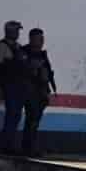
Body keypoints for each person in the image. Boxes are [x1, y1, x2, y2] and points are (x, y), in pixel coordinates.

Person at [0, 20, 28, 155]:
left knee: (16, 115)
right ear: (9, 31)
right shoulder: (1, 47)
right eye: (16, 30)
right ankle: (6, 145)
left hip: (19, 86)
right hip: (8, 86)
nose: (18, 33)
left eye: (18, 30)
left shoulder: (18, 47)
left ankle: (10, 144)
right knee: (11, 114)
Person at [20, 28, 57, 157]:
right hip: (29, 91)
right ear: (31, 39)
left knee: (35, 122)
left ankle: (30, 147)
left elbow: (47, 73)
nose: (41, 41)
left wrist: (49, 91)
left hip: (41, 92)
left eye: (42, 38)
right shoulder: (24, 52)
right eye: (38, 38)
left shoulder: (42, 54)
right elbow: (23, 71)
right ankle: (28, 148)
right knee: (32, 121)